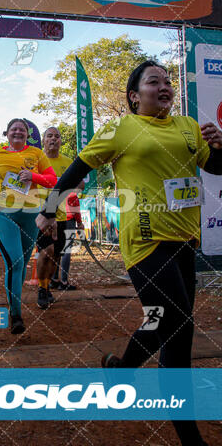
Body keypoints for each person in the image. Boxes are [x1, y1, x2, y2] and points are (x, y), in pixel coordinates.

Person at [37, 60, 222, 446]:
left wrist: (220, 145)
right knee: (178, 323)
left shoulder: (189, 127)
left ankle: (121, 372)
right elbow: (75, 170)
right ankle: (191, 439)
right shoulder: (122, 129)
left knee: (166, 324)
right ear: (135, 96)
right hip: (145, 241)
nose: (166, 86)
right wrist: (48, 209)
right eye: (155, 81)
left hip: (186, 242)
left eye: (168, 81)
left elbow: (217, 167)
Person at [0, 118, 57, 334]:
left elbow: (52, 179)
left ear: (27, 135)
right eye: (14, 129)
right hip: (3, 212)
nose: (18, 132)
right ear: (7, 133)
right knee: (16, 263)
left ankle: (14, 303)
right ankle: (16, 314)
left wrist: (33, 175)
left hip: (30, 214)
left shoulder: (37, 154)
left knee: (23, 263)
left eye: (22, 130)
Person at [36, 127, 84, 309]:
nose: (53, 139)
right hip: (42, 215)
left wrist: (69, 190)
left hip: (62, 215)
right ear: (43, 140)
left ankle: (47, 286)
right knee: (45, 250)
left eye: (57, 136)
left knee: (56, 255)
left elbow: (80, 183)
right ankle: (41, 289)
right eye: (49, 136)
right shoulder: (37, 160)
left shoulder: (68, 162)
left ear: (61, 141)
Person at [50, 191, 85, 291]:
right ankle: (64, 282)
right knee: (66, 250)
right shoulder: (72, 194)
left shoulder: (57, 191)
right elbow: (76, 211)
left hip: (57, 222)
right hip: (68, 221)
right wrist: (80, 223)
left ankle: (54, 279)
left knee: (57, 250)